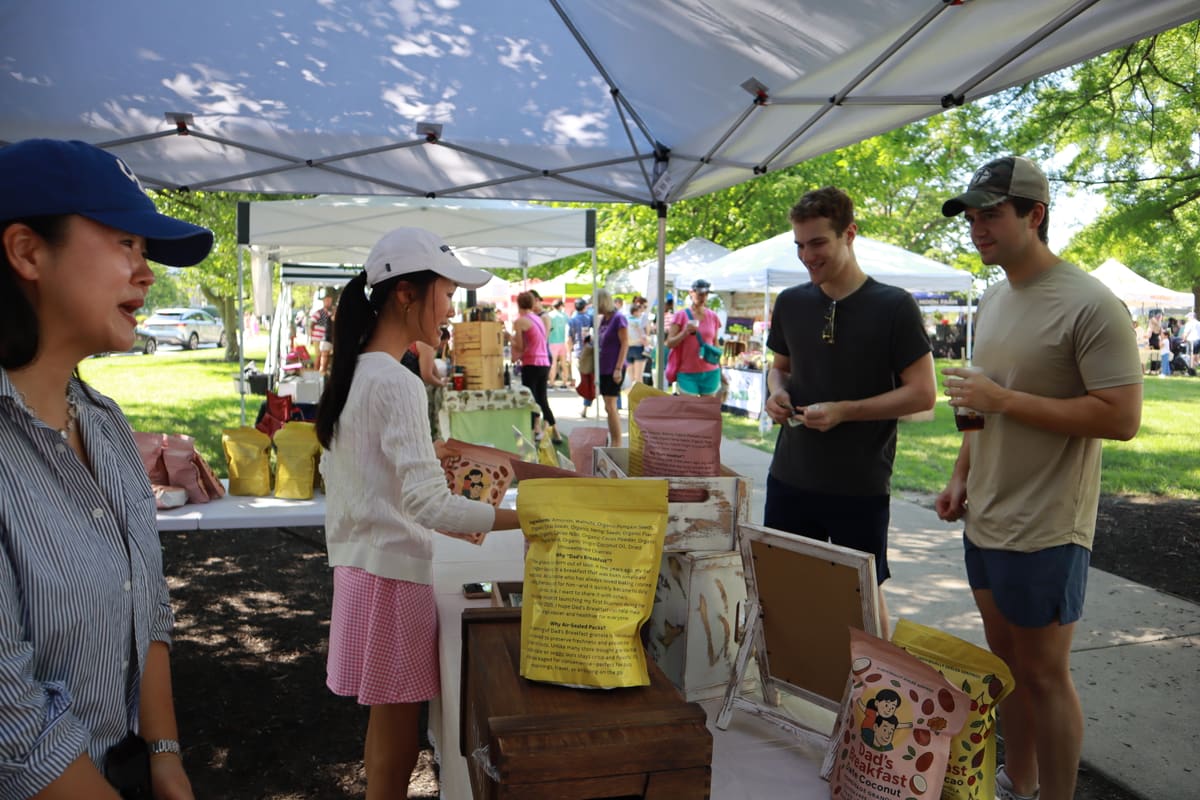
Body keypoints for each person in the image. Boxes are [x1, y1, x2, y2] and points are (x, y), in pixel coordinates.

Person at [0, 138, 213, 798]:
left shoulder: (105, 422)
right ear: (27, 251)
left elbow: (146, 603)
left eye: (144, 251)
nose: (146, 272)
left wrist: (165, 755)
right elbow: (15, 733)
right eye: (125, 241)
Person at [934, 156, 1142, 800]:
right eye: (971, 216)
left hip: (1049, 525)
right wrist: (960, 473)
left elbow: (1122, 417)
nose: (977, 227)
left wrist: (1004, 402)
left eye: (991, 214)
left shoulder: (1091, 304)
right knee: (1007, 670)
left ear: (1035, 214)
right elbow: (981, 401)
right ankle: (1015, 782)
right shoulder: (994, 297)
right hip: (987, 515)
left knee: (1046, 675)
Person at [315, 227, 521, 799]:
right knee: (398, 740)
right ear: (407, 293)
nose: (451, 308)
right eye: (447, 293)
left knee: (389, 732)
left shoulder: (356, 370)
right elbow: (428, 505)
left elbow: (359, 470)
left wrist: (427, 455)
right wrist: (527, 519)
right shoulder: (395, 381)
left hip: (362, 570)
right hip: (393, 577)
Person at [762, 186, 935, 639]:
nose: (806, 255)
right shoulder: (791, 302)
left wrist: (845, 411)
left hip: (858, 486)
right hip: (789, 477)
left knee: (863, 603)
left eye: (817, 242)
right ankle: (788, 690)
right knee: (786, 596)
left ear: (849, 234)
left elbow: (922, 394)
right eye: (799, 244)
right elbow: (779, 370)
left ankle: (874, 701)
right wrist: (776, 395)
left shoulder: (894, 305)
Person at [511, 291, 560, 444]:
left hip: (531, 363)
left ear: (518, 304)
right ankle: (555, 432)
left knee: (530, 399)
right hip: (544, 361)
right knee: (542, 399)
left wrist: (508, 338)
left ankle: (532, 432)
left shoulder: (520, 321)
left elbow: (520, 345)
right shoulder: (538, 318)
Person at [666, 279, 723, 396]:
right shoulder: (680, 316)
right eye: (700, 294)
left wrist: (721, 371)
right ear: (691, 293)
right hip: (687, 373)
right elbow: (669, 343)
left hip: (711, 372)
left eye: (706, 294)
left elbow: (715, 344)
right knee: (689, 411)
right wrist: (684, 332)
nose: (703, 297)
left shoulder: (713, 316)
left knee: (707, 412)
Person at [594, 288, 629, 445]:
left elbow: (625, 343)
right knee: (608, 406)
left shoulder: (618, 318)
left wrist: (618, 368)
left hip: (614, 367)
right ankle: (614, 438)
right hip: (604, 367)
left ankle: (617, 441)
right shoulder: (605, 319)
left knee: (611, 405)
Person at [568, 297, 594, 416]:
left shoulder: (572, 320)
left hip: (578, 352)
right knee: (590, 379)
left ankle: (585, 406)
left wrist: (569, 353)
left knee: (583, 379)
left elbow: (569, 338)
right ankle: (586, 406)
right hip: (590, 351)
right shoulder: (590, 318)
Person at [625, 296, 650, 388]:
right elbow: (647, 332)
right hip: (639, 347)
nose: (644, 309)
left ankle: (631, 400)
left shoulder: (625, 316)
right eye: (644, 306)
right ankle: (640, 400)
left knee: (630, 378)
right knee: (639, 378)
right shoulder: (643, 317)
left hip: (627, 348)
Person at [546, 298, 571, 388]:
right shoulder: (565, 316)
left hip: (552, 342)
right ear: (560, 306)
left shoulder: (549, 315)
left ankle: (551, 383)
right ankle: (564, 383)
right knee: (564, 364)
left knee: (553, 364)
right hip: (563, 342)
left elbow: (547, 328)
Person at [311, 291, 336, 376]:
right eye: (327, 301)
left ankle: (320, 373)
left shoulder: (329, 314)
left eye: (330, 301)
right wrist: (311, 336)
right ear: (324, 301)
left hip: (325, 338)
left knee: (324, 355)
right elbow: (312, 324)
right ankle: (315, 372)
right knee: (318, 355)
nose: (329, 303)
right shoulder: (318, 312)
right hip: (318, 338)